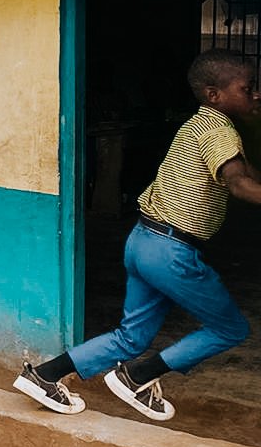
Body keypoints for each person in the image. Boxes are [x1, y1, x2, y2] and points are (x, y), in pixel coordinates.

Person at [15, 49, 261, 422]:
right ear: (214, 95)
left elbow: (244, 172)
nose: (256, 94)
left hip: (143, 241)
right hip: (172, 253)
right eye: (248, 88)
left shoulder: (198, 125)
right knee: (229, 328)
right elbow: (241, 183)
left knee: (131, 337)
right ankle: (138, 375)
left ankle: (44, 375)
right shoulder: (218, 131)